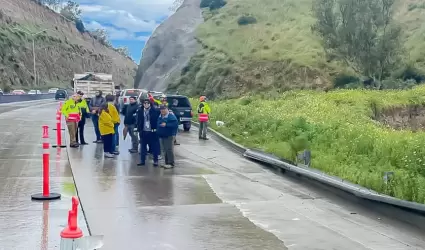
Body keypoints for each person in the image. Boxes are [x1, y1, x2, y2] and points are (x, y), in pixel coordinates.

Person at [136, 98, 160, 166]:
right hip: (143, 131)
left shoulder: (155, 110)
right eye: (145, 103)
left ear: (150, 104)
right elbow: (138, 120)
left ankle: (155, 160)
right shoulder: (140, 111)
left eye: (147, 103)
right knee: (143, 147)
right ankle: (142, 161)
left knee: (154, 147)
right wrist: (138, 129)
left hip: (152, 132)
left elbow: (160, 117)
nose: (146, 104)